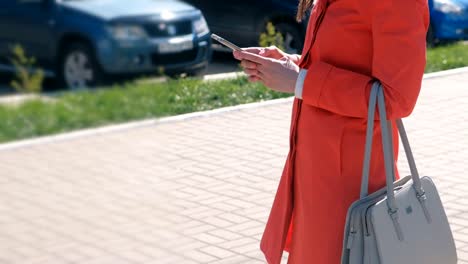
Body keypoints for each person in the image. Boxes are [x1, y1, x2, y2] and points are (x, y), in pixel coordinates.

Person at [233, 0, 429, 263]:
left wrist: (300, 81)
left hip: (351, 182)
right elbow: (341, 62)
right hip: (313, 170)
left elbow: (397, 97)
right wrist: (289, 65)